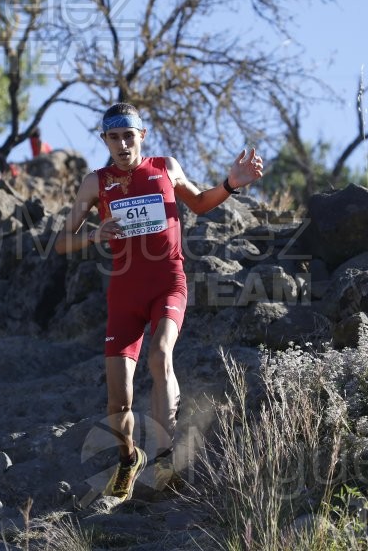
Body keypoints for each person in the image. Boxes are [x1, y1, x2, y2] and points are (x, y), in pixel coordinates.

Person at [53, 103, 265, 501]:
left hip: (169, 281)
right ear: (104, 140)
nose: (121, 144)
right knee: (119, 399)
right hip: (125, 293)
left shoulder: (165, 166)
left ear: (142, 135)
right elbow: (63, 242)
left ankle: (165, 455)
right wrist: (96, 236)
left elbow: (200, 202)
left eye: (128, 135)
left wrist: (232, 184)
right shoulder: (93, 183)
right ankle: (129, 458)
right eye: (113, 137)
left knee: (160, 354)